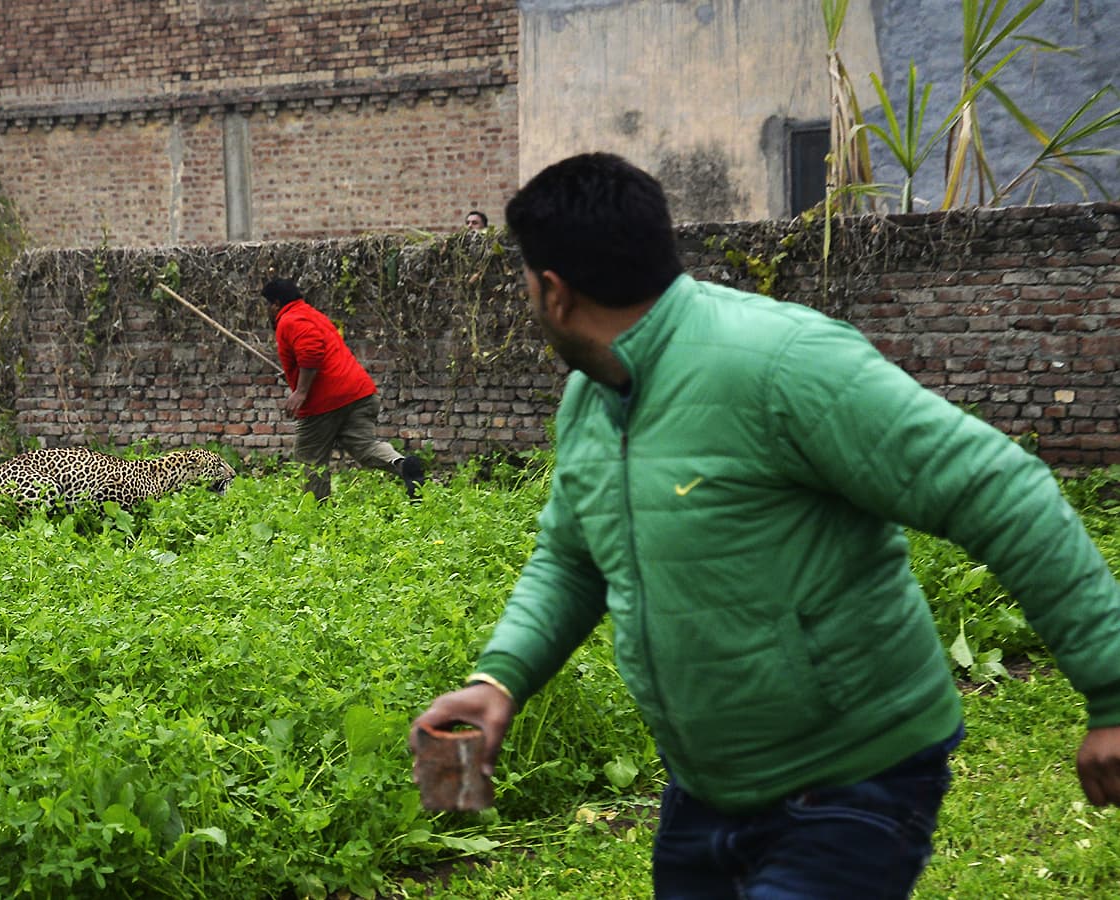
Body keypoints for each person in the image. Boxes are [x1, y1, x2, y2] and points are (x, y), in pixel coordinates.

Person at [410, 152, 1120, 897]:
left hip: (854, 776)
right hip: (706, 787)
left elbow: (999, 489)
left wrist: (1111, 693)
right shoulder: (591, 400)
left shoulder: (782, 364)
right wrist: (501, 677)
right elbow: (570, 559)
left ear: (553, 291)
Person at [261, 277, 424, 502]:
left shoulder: (289, 320)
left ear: (276, 304)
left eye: (267, 305)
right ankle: (403, 465)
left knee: (310, 459)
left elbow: (311, 353)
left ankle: (316, 514)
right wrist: (295, 375)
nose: (267, 311)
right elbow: (320, 354)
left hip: (325, 402)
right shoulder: (313, 315)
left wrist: (301, 391)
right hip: (359, 393)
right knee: (366, 448)